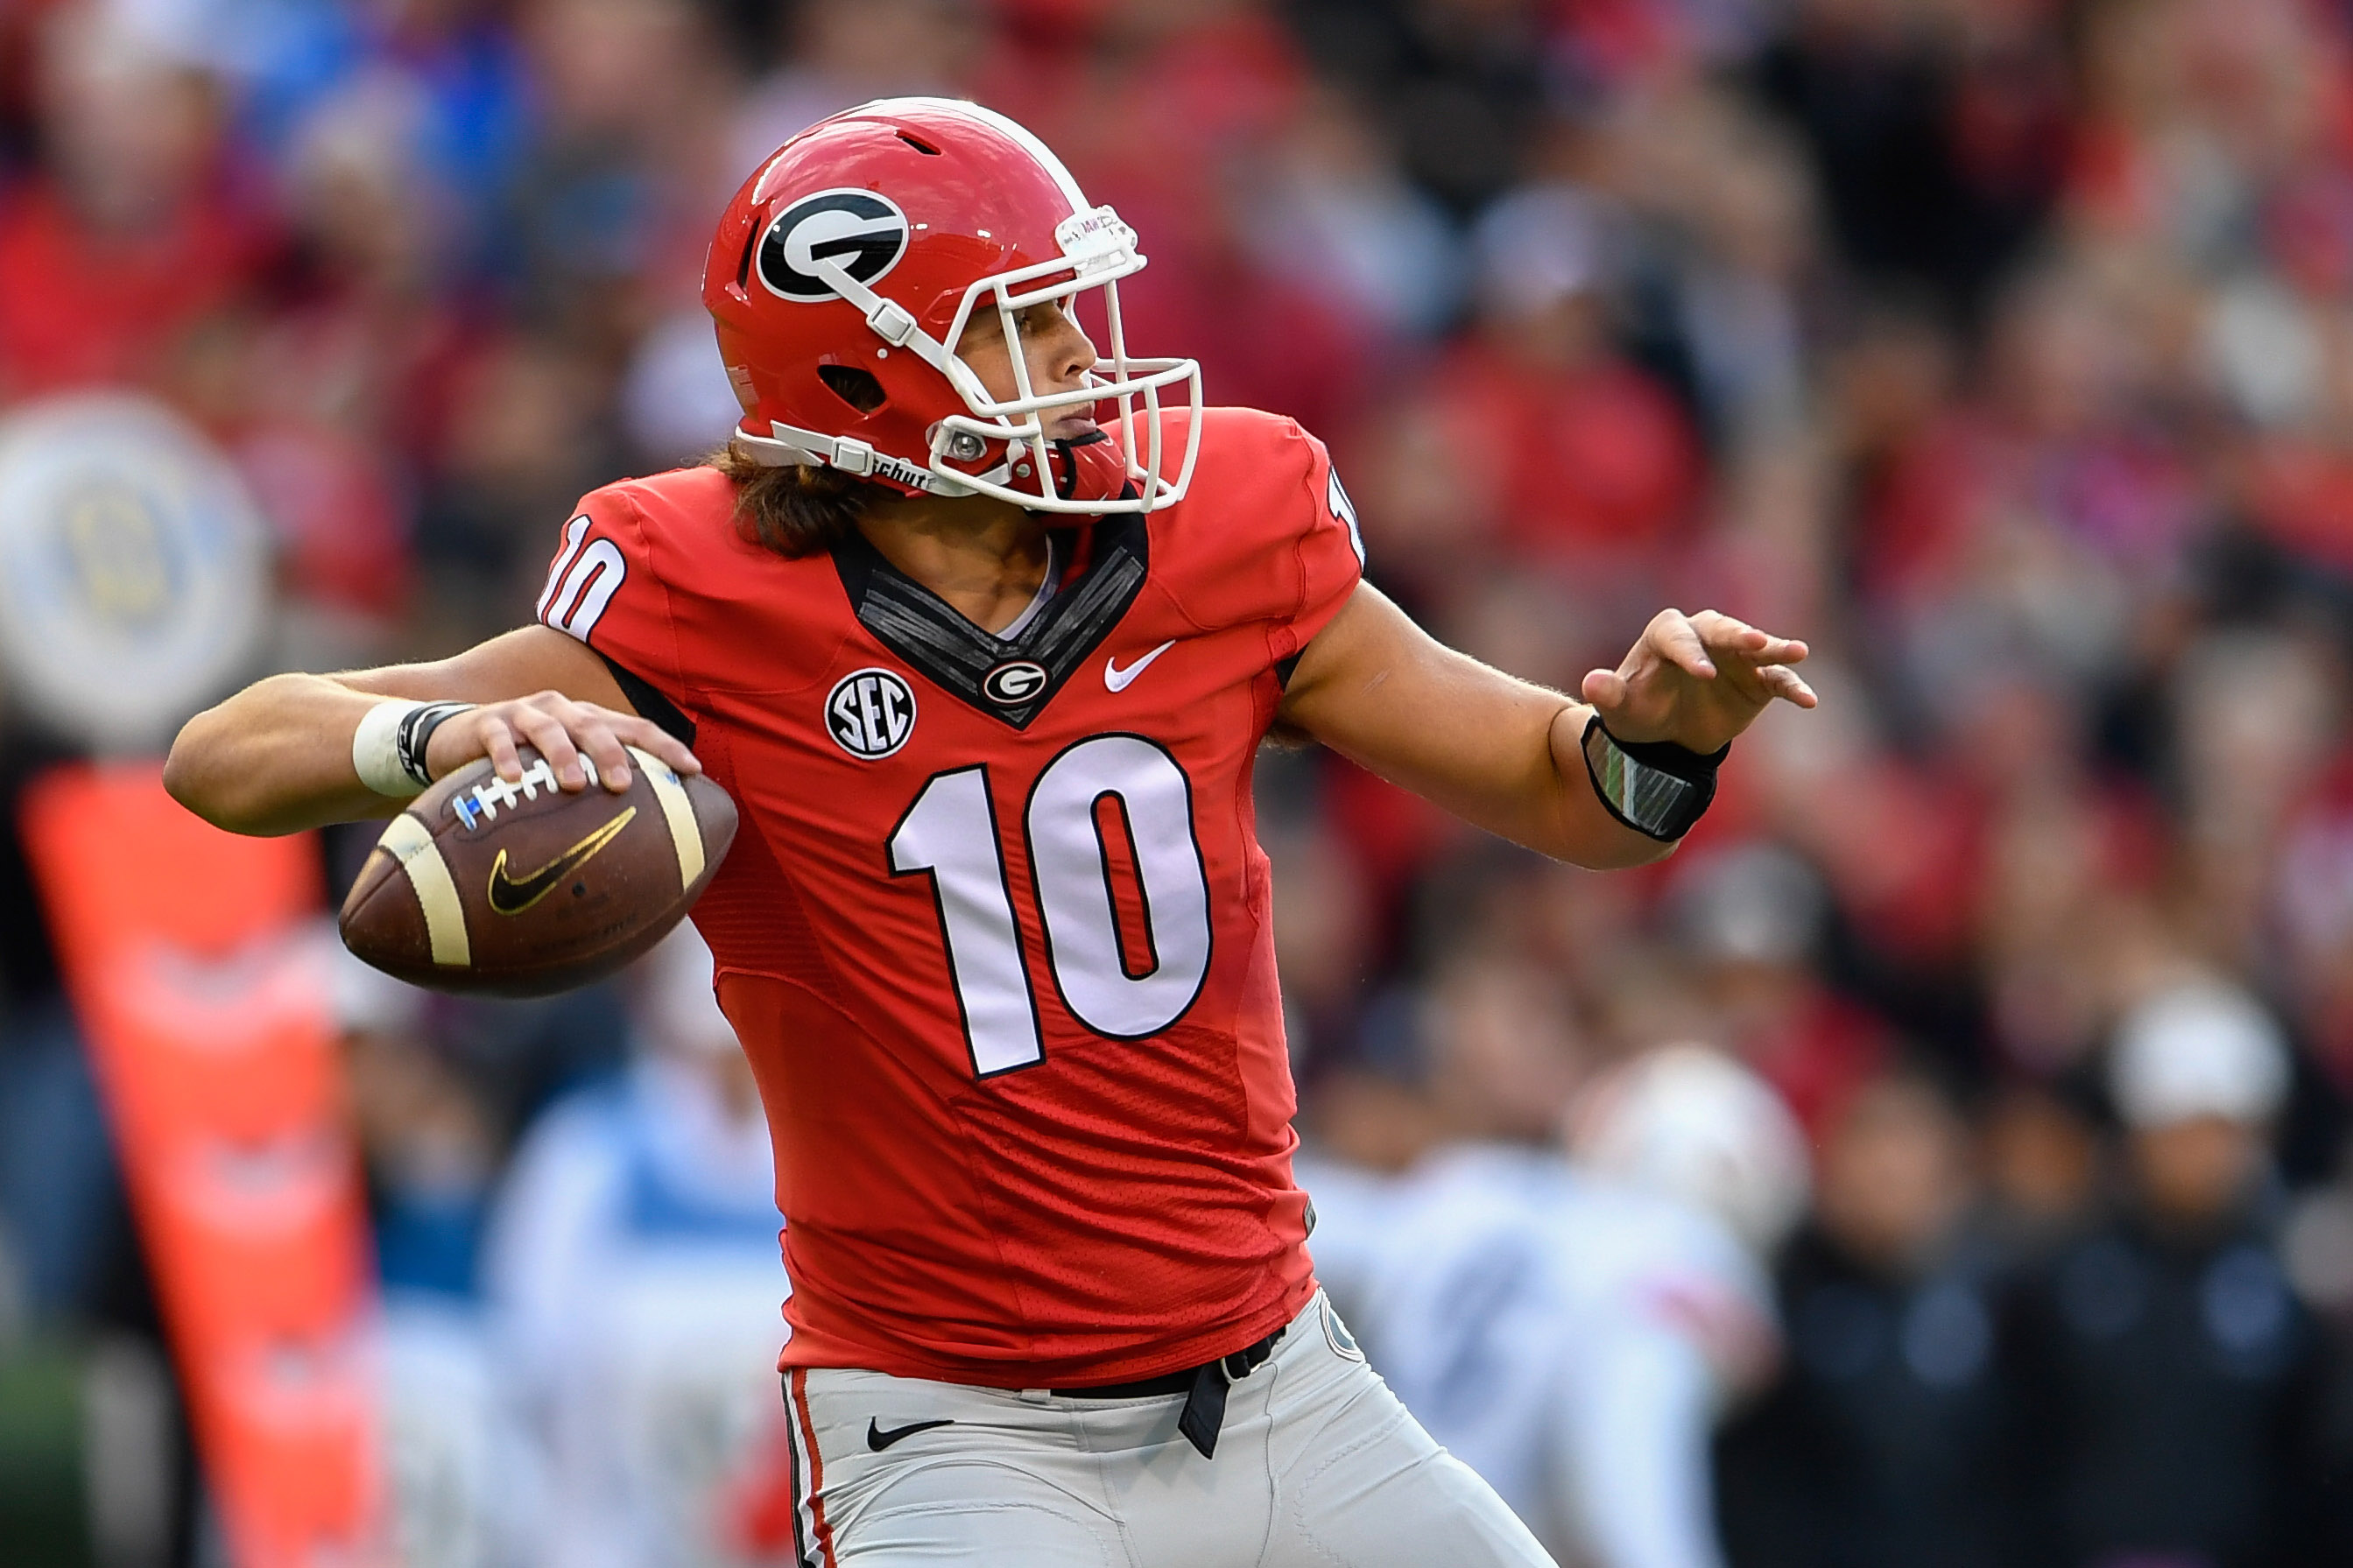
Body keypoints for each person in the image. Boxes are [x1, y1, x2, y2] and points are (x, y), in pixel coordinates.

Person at [164, 96, 1815, 1568]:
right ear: (865, 376)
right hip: (955, 1431)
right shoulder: (694, 592)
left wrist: (1653, 744)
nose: (1089, 359)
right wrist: (443, 732)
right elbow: (227, 756)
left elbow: (1562, 791)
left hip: (1283, 1386)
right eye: (1024, 329)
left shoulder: (1223, 523)